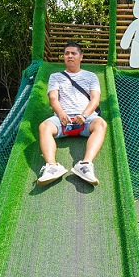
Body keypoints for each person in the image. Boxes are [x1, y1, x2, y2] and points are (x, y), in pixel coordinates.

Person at [37, 42, 108, 185]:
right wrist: (61, 114)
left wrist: (84, 115)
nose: (69, 56)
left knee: (101, 123)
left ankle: (85, 164)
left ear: (81, 57)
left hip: (86, 119)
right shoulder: (55, 76)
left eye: (73, 53)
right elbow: (53, 98)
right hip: (63, 119)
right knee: (44, 126)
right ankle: (51, 167)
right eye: (66, 53)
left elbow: (95, 100)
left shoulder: (91, 76)